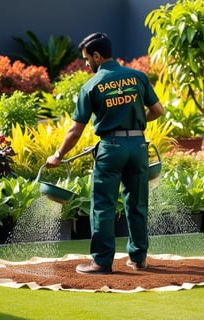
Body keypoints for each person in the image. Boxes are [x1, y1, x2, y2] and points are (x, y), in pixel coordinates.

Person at [46, 32, 164, 275]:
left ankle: (101, 262)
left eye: (86, 59)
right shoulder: (138, 77)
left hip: (111, 149)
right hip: (139, 148)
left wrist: (57, 155)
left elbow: (75, 130)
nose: (86, 64)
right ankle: (138, 259)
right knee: (137, 205)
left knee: (103, 206)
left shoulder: (91, 85)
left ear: (97, 56)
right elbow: (157, 110)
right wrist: (136, 123)